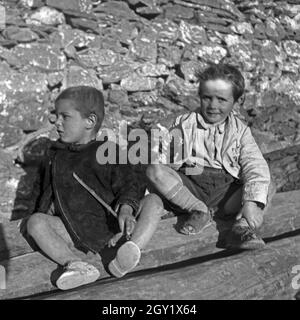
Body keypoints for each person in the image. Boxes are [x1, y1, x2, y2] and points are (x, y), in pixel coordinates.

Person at [26, 86, 163, 290]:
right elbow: (43, 194)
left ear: (89, 122)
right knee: (35, 222)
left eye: (65, 117)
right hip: (75, 230)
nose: (57, 123)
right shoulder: (55, 157)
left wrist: (126, 210)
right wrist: (41, 216)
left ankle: (130, 250)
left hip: (117, 228)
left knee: (154, 201)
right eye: (56, 117)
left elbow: (131, 183)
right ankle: (76, 265)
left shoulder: (108, 151)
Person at [146, 63, 273, 250]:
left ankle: (242, 228)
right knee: (153, 170)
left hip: (225, 195)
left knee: (268, 183)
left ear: (236, 102)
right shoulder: (184, 124)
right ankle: (198, 210)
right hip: (190, 190)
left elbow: (254, 165)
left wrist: (252, 203)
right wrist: (161, 144)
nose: (213, 106)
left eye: (221, 100)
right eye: (207, 98)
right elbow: (163, 158)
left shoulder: (240, 132)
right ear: (199, 96)